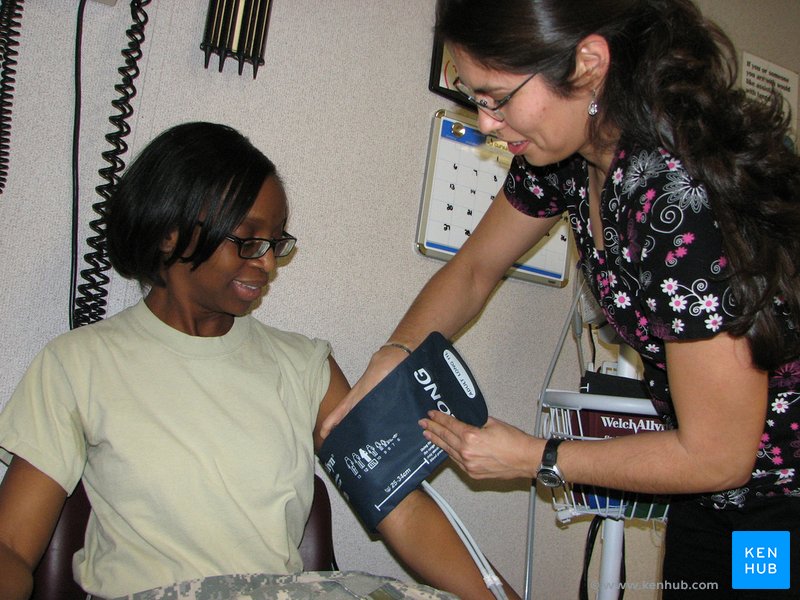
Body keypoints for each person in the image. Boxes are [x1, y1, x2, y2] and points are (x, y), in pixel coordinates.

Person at [321, 1, 800, 597]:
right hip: (712, 497)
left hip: (778, 502)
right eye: (474, 98)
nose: (486, 123)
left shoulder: (683, 204)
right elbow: (474, 269)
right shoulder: (566, 158)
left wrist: (537, 457)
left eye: (497, 97)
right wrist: (395, 354)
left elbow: (717, 454)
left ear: (589, 64)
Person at [0, 122, 519, 600]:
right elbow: (11, 546)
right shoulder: (78, 365)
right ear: (169, 233)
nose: (267, 263)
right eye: (248, 240)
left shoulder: (304, 367)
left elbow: (401, 509)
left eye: (275, 242)